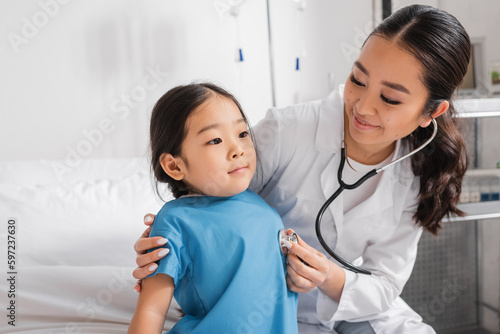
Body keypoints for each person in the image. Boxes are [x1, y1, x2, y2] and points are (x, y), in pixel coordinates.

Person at [132, 5, 470, 333]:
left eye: (390, 99)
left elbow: (384, 286)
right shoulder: (288, 131)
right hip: (271, 309)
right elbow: (209, 191)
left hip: (356, 306)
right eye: (358, 79)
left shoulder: (419, 169)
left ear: (431, 113)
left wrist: (328, 277)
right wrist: (171, 244)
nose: (363, 107)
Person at [128, 83, 298, 334]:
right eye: (215, 140)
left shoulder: (260, 205)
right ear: (174, 166)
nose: (238, 149)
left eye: (242, 133)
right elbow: (151, 310)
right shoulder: (176, 220)